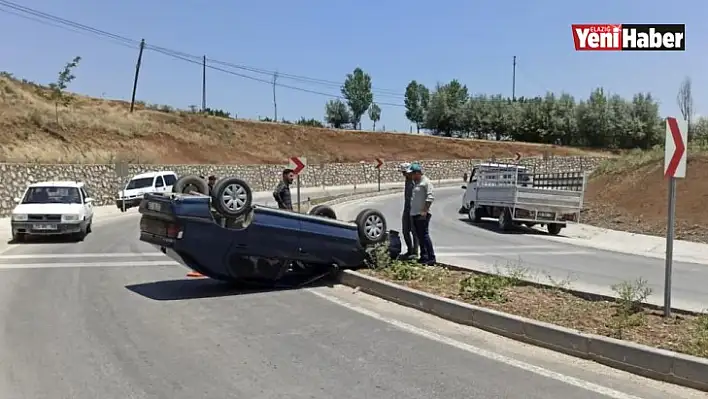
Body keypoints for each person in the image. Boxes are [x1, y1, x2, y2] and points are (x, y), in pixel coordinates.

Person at [407, 162, 436, 265]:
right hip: (415, 214)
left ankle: (431, 258)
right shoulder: (416, 183)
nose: (411, 176)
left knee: (424, 236)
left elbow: (430, 197)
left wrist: (424, 211)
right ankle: (424, 257)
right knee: (419, 237)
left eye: (412, 174)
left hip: (422, 214)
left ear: (418, 173)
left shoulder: (426, 182)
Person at [399, 162, 418, 259]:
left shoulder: (415, 181)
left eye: (404, 172)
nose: (403, 174)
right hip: (406, 209)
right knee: (405, 231)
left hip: (414, 209)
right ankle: (409, 250)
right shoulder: (407, 180)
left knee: (414, 232)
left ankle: (415, 252)